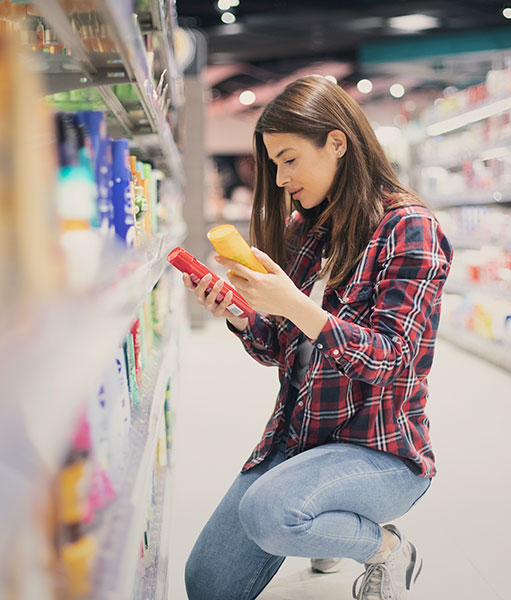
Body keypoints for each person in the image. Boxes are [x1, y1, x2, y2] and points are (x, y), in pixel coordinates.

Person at [182, 75, 453, 600]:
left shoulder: (409, 228)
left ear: (336, 142)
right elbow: (278, 348)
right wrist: (240, 315)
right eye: (273, 164)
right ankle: (321, 519)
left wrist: (298, 307)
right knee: (207, 585)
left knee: (268, 511)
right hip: (300, 439)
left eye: (289, 159)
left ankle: (385, 549)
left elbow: (391, 359)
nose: (281, 178)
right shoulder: (304, 230)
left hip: (380, 451)